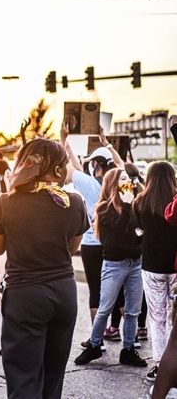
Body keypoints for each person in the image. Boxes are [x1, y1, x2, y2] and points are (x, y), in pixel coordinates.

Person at [0, 138, 89, 399]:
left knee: (24, 375)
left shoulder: (5, 202)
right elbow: (70, 249)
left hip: (25, 295)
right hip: (64, 293)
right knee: (54, 373)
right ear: (56, 170)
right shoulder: (75, 203)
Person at [60, 124, 126, 348]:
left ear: (95, 164)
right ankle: (130, 334)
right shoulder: (117, 181)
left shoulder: (87, 184)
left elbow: (67, 168)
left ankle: (96, 341)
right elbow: (120, 164)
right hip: (111, 242)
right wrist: (105, 141)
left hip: (90, 243)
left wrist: (63, 140)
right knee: (116, 288)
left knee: (95, 290)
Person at [74, 168, 146, 368]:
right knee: (105, 307)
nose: (127, 182)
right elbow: (113, 240)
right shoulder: (104, 208)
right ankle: (94, 344)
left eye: (128, 179)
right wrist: (125, 206)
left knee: (133, 310)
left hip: (135, 263)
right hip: (115, 264)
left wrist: (138, 236)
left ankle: (129, 349)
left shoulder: (134, 206)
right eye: (123, 179)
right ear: (113, 183)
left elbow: (138, 231)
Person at [134, 161, 177, 382]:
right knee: (174, 318)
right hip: (175, 266)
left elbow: (138, 230)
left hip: (152, 267)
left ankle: (161, 366)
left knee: (157, 318)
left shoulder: (140, 203)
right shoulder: (175, 201)